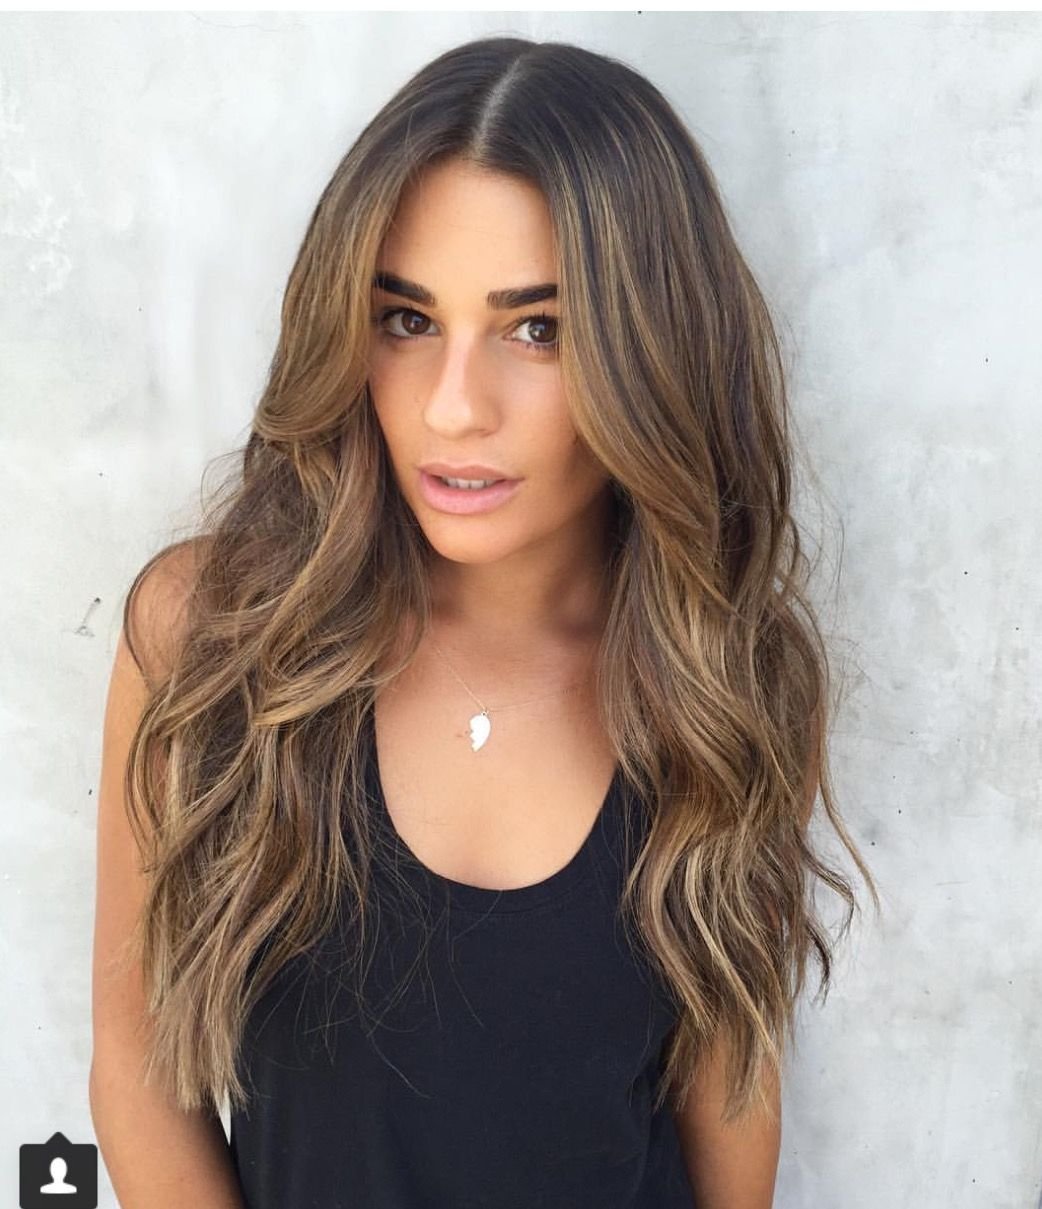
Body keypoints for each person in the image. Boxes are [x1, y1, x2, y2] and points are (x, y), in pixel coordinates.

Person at [89, 34, 878, 1209]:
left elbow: (727, 1102)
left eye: (536, 328)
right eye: (407, 320)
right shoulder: (210, 638)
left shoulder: (727, 681)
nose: (455, 408)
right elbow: (139, 1072)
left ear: (651, 350)